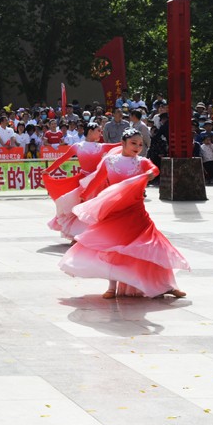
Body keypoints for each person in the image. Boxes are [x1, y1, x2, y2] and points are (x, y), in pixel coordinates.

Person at [59, 128, 189, 299]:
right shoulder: (110, 161)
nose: (137, 147)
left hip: (136, 212)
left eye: (140, 144)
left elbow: (155, 169)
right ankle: (111, 287)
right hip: (114, 212)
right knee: (112, 248)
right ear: (123, 143)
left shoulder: (142, 162)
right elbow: (97, 179)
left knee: (151, 247)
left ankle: (167, 285)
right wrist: (84, 196)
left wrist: (150, 174)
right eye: (133, 143)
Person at [43, 122, 121, 242]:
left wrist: (130, 138)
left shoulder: (102, 146)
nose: (100, 133)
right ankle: (78, 235)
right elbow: (62, 159)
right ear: (90, 131)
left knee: (98, 209)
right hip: (84, 183)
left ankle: (97, 235)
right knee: (80, 208)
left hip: (99, 183)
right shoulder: (78, 146)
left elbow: (120, 145)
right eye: (98, 130)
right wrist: (48, 170)